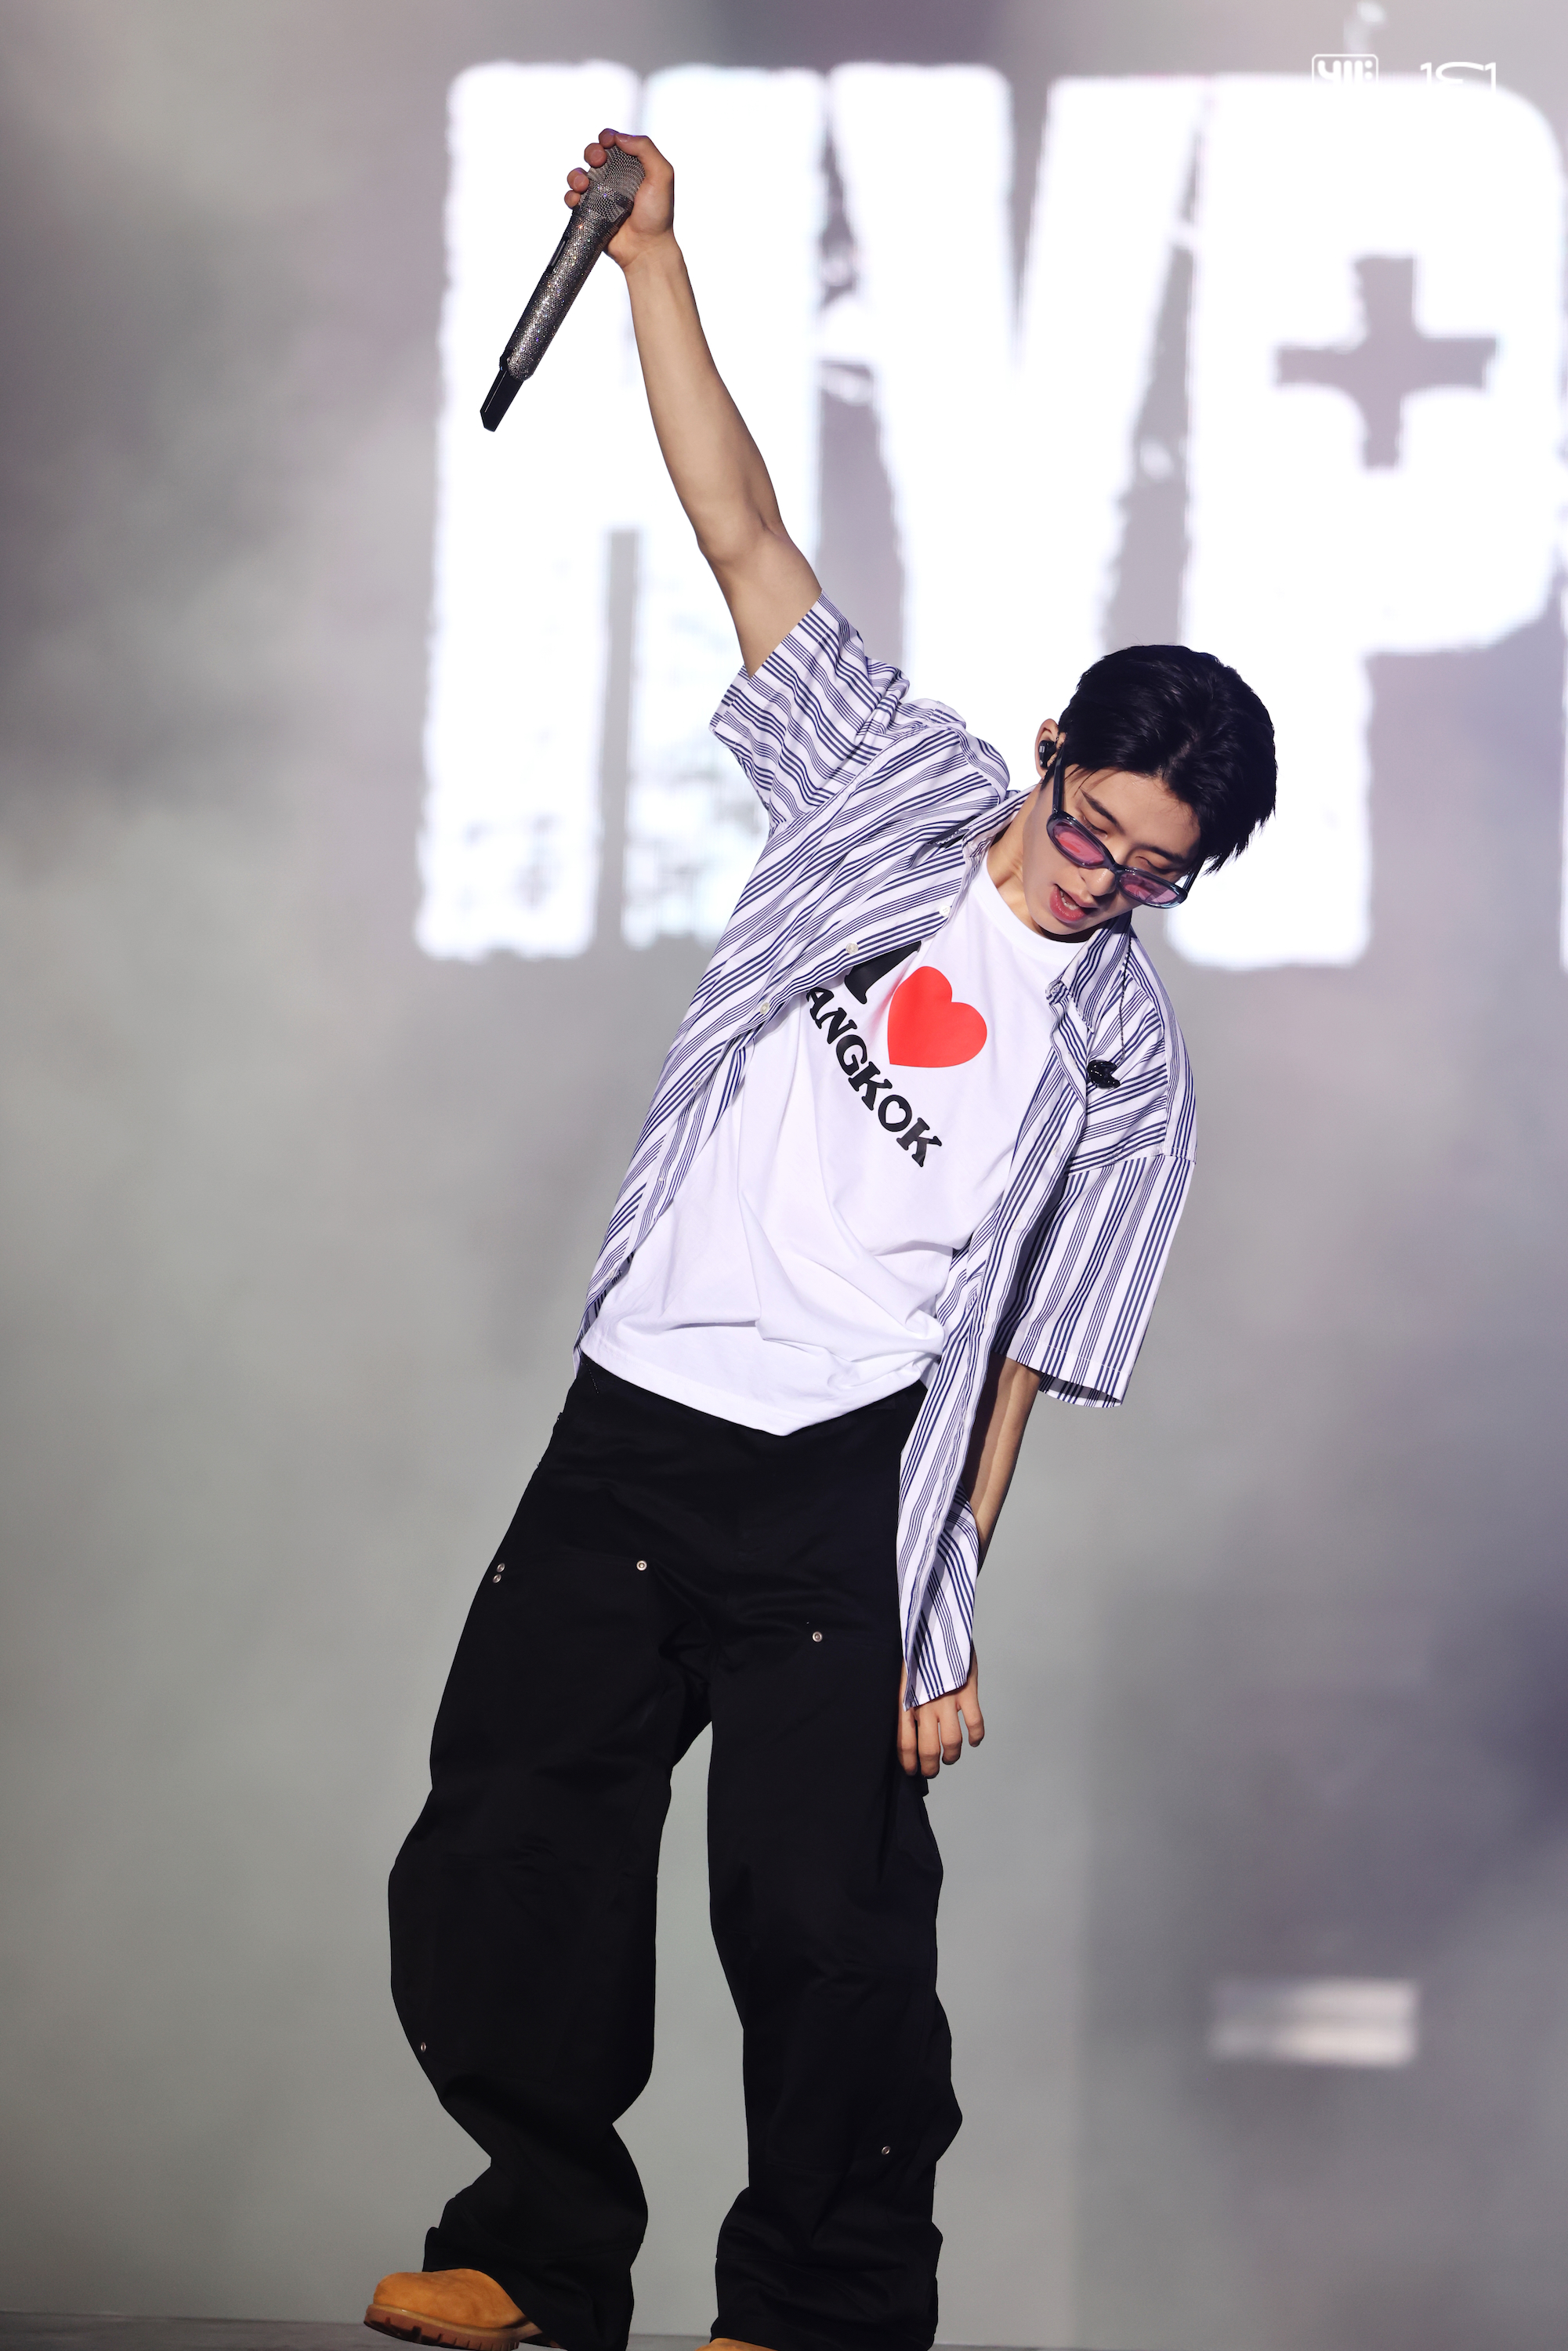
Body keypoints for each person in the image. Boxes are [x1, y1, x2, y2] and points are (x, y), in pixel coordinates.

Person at [364, 127, 1276, 2351]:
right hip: (638, 1421)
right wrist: (655, 264)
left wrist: (941, 1601)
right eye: (1092, 829)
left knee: (832, 1932)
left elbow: (1024, 1364)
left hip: (844, 1496)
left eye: (1154, 874)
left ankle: (820, 2310)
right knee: (511, 1846)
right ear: (1049, 751)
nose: (1100, 885)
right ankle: (528, 2256)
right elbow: (743, 530)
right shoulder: (888, 783)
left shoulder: (1132, 1072)